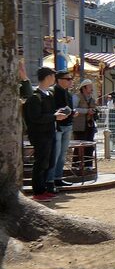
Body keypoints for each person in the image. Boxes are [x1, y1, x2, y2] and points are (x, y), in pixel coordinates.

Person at [24, 67, 67, 201]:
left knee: (48, 162)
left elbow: (49, 113)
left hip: (50, 132)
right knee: (41, 162)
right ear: (48, 77)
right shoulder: (35, 97)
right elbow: (35, 117)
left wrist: (59, 113)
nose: (54, 79)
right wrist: (54, 117)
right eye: (53, 76)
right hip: (40, 134)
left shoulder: (48, 94)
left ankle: (43, 189)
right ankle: (37, 192)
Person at [50, 69, 77, 188]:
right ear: (59, 80)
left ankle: (58, 177)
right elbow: (52, 110)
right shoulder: (53, 92)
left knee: (62, 154)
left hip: (68, 125)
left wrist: (72, 112)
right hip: (57, 126)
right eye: (68, 79)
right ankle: (50, 180)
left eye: (71, 79)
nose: (70, 81)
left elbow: (69, 109)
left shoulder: (68, 93)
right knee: (55, 154)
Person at [72, 78, 99, 171]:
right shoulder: (76, 97)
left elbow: (95, 108)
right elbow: (74, 109)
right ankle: (76, 165)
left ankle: (88, 165)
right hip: (79, 126)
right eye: (90, 86)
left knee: (89, 146)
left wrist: (94, 111)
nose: (92, 88)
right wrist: (87, 111)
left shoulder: (92, 98)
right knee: (78, 146)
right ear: (84, 88)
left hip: (90, 125)